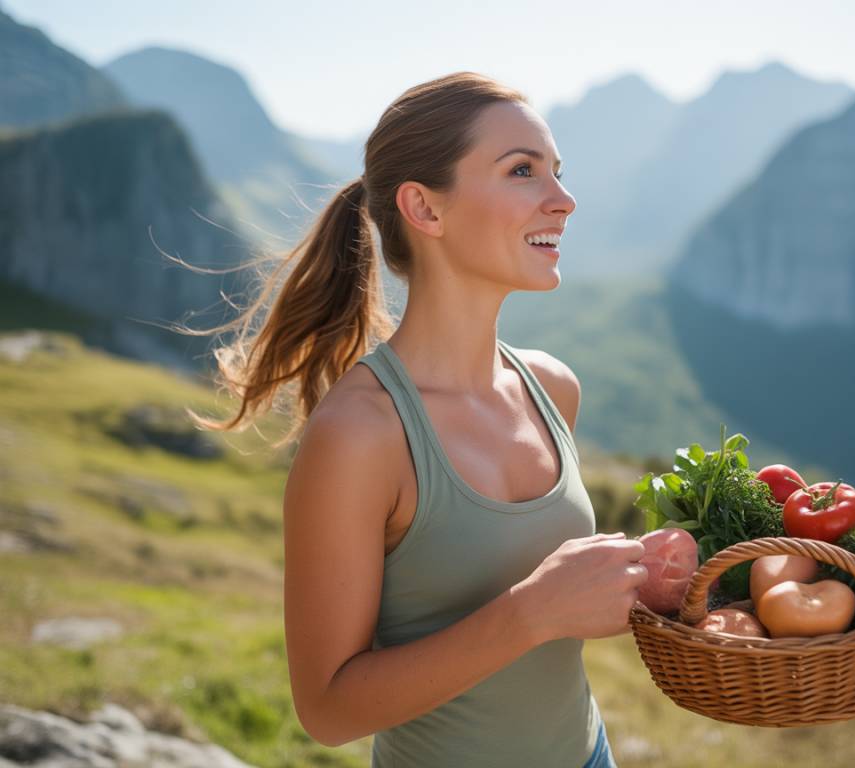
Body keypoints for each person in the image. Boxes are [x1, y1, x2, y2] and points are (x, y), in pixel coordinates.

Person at [185, 71, 645, 767]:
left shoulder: (553, 387)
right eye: (523, 171)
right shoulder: (361, 435)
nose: (565, 200)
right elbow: (328, 710)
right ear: (425, 210)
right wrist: (533, 612)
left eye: (557, 171)